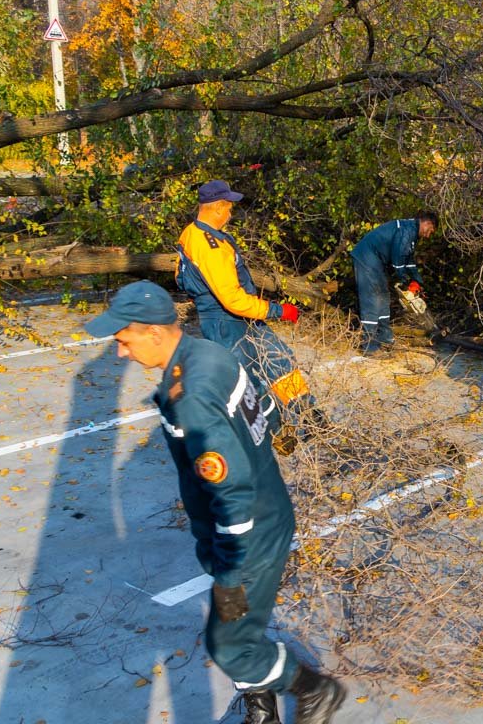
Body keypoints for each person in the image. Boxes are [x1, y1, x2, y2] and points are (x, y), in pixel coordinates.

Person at [86, 281, 347, 724]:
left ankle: (315, 691)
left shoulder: (191, 398)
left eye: (123, 341)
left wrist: (229, 573)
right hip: (263, 513)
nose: (121, 354)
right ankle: (262, 714)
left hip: (249, 532)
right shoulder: (209, 353)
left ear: (153, 332)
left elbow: (232, 492)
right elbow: (263, 410)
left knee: (228, 644)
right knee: (242, 627)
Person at [176, 180, 323, 431]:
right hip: (228, 322)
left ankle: (309, 418)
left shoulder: (193, 233)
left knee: (279, 360)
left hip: (237, 318)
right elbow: (232, 299)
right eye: (229, 207)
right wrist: (278, 310)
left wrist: (197, 291)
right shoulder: (209, 246)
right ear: (217, 208)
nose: (231, 213)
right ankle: (273, 432)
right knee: (249, 381)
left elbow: (180, 274)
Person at [349, 211, 438, 353]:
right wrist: (403, 281)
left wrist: (417, 281)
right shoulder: (407, 230)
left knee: (384, 297)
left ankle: (385, 339)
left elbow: (409, 261)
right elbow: (398, 259)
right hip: (366, 257)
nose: (428, 236)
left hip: (376, 261)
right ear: (427, 223)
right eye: (430, 231)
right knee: (372, 300)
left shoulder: (412, 233)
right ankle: (369, 347)